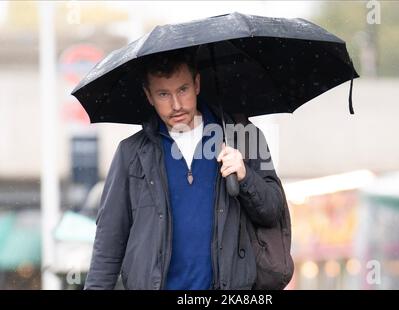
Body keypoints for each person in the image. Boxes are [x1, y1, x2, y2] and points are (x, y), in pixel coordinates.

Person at [84, 48, 285, 290]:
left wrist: (245, 176)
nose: (176, 104)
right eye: (163, 94)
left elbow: (273, 210)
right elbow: (108, 244)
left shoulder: (243, 137)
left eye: (183, 89)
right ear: (148, 96)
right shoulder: (131, 154)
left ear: (197, 84)